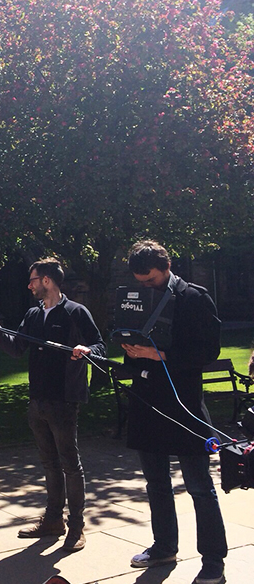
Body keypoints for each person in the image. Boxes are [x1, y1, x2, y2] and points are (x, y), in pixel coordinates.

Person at [0, 258, 106, 552]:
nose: (29, 284)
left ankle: (76, 527)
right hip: (38, 400)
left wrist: (86, 351)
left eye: (33, 279)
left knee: (70, 465)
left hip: (64, 398)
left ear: (47, 280)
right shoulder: (33, 315)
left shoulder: (75, 312)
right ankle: (52, 520)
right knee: (49, 464)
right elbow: (17, 348)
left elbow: (99, 345)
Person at [121, 240, 227, 584]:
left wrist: (161, 357)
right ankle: (164, 545)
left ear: (166, 267)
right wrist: (130, 348)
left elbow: (208, 351)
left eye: (150, 279)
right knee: (156, 484)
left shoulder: (195, 297)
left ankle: (213, 561)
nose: (145, 285)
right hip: (147, 402)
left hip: (183, 405)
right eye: (140, 281)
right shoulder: (137, 296)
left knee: (199, 487)